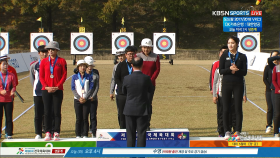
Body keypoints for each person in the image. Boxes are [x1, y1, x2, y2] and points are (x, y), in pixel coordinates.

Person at [219, 35, 247, 140]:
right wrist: (230, 69)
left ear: (237, 44)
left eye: (232, 43)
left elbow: (245, 72)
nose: (230, 45)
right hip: (226, 84)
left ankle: (238, 131)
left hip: (238, 84)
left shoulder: (242, 56)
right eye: (229, 43)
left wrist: (237, 69)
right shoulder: (224, 55)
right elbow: (221, 70)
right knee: (226, 108)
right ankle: (227, 131)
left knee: (238, 108)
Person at [39, 41, 67, 141]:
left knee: (56, 112)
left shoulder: (62, 61)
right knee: (47, 112)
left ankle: (56, 132)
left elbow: (64, 75)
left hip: (58, 90)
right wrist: (46, 87)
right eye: (49, 49)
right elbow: (41, 76)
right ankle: (47, 132)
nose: (50, 51)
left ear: (56, 50)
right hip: (46, 90)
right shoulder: (43, 61)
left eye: (52, 49)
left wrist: (57, 86)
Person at [122, 57, 153, 147]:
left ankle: (131, 155)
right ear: (142, 65)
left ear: (132, 65)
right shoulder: (146, 78)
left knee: (130, 134)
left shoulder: (127, 78)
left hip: (129, 109)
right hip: (142, 109)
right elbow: (150, 90)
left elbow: (124, 92)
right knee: (141, 133)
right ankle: (141, 155)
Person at [135, 38, 160, 131]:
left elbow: (157, 70)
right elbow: (135, 68)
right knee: (138, 104)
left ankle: (147, 123)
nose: (146, 49)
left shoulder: (156, 57)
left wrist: (151, 79)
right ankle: (138, 124)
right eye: (144, 47)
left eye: (148, 47)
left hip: (150, 85)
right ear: (142, 47)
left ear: (151, 48)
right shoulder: (137, 56)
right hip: (138, 84)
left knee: (148, 104)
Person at [71, 60, 94, 138]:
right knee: (78, 118)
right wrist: (78, 97)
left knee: (85, 117)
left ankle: (85, 134)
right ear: (78, 67)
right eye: (81, 66)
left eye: (84, 66)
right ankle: (78, 134)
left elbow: (91, 88)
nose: (83, 67)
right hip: (77, 100)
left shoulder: (89, 76)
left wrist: (85, 97)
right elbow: (73, 88)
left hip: (86, 100)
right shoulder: (74, 77)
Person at [30, 45, 48, 139]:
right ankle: (38, 133)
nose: (44, 54)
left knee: (48, 112)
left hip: (47, 92)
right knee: (38, 114)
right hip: (37, 92)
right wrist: (36, 88)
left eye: (46, 52)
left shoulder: (50, 64)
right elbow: (32, 79)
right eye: (42, 52)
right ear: (39, 53)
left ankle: (47, 131)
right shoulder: (34, 65)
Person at [115, 46, 135, 129]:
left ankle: (133, 128)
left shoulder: (137, 64)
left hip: (134, 93)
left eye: (133, 54)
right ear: (126, 55)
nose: (131, 56)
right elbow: (116, 78)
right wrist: (122, 88)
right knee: (122, 112)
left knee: (134, 112)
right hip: (122, 93)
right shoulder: (120, 65)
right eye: (129, 54)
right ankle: (122, 129)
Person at [0, 56, 17, 139]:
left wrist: (13, 91)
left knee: (9, 116)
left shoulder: (11, 75)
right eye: (3, 64)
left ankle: (9, 133)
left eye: (6, 64)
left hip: (9, 99)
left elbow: (14, 85)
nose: (5, 66)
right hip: (0, 99)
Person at [110, 48, 126, 127]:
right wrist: (111, 91)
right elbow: (113, 79)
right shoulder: (116, 67)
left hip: (128, 92)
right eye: (119, 56)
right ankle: (121, 127)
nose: (120, 57)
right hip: (118, 91)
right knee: (120, 111)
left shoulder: (130, 65)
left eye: (122, 55)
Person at [84, 56, 99, 138]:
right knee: (84, 116)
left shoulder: (95, 73)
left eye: (91, 66)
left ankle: (93, 131)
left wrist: (93, 96)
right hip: (84, 99)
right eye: (88, 66)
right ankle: (84, 133)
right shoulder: (81, 74)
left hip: (93, 98)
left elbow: (97, 86)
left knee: (93, 116)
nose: (90, 67)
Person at [265, 51, 280, 134]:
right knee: (272, 109)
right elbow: (270, 59)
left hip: (276, 91)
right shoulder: (272, 66)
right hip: (272, 90)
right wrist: (276, 56)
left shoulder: (278, 66)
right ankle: (269, 126)